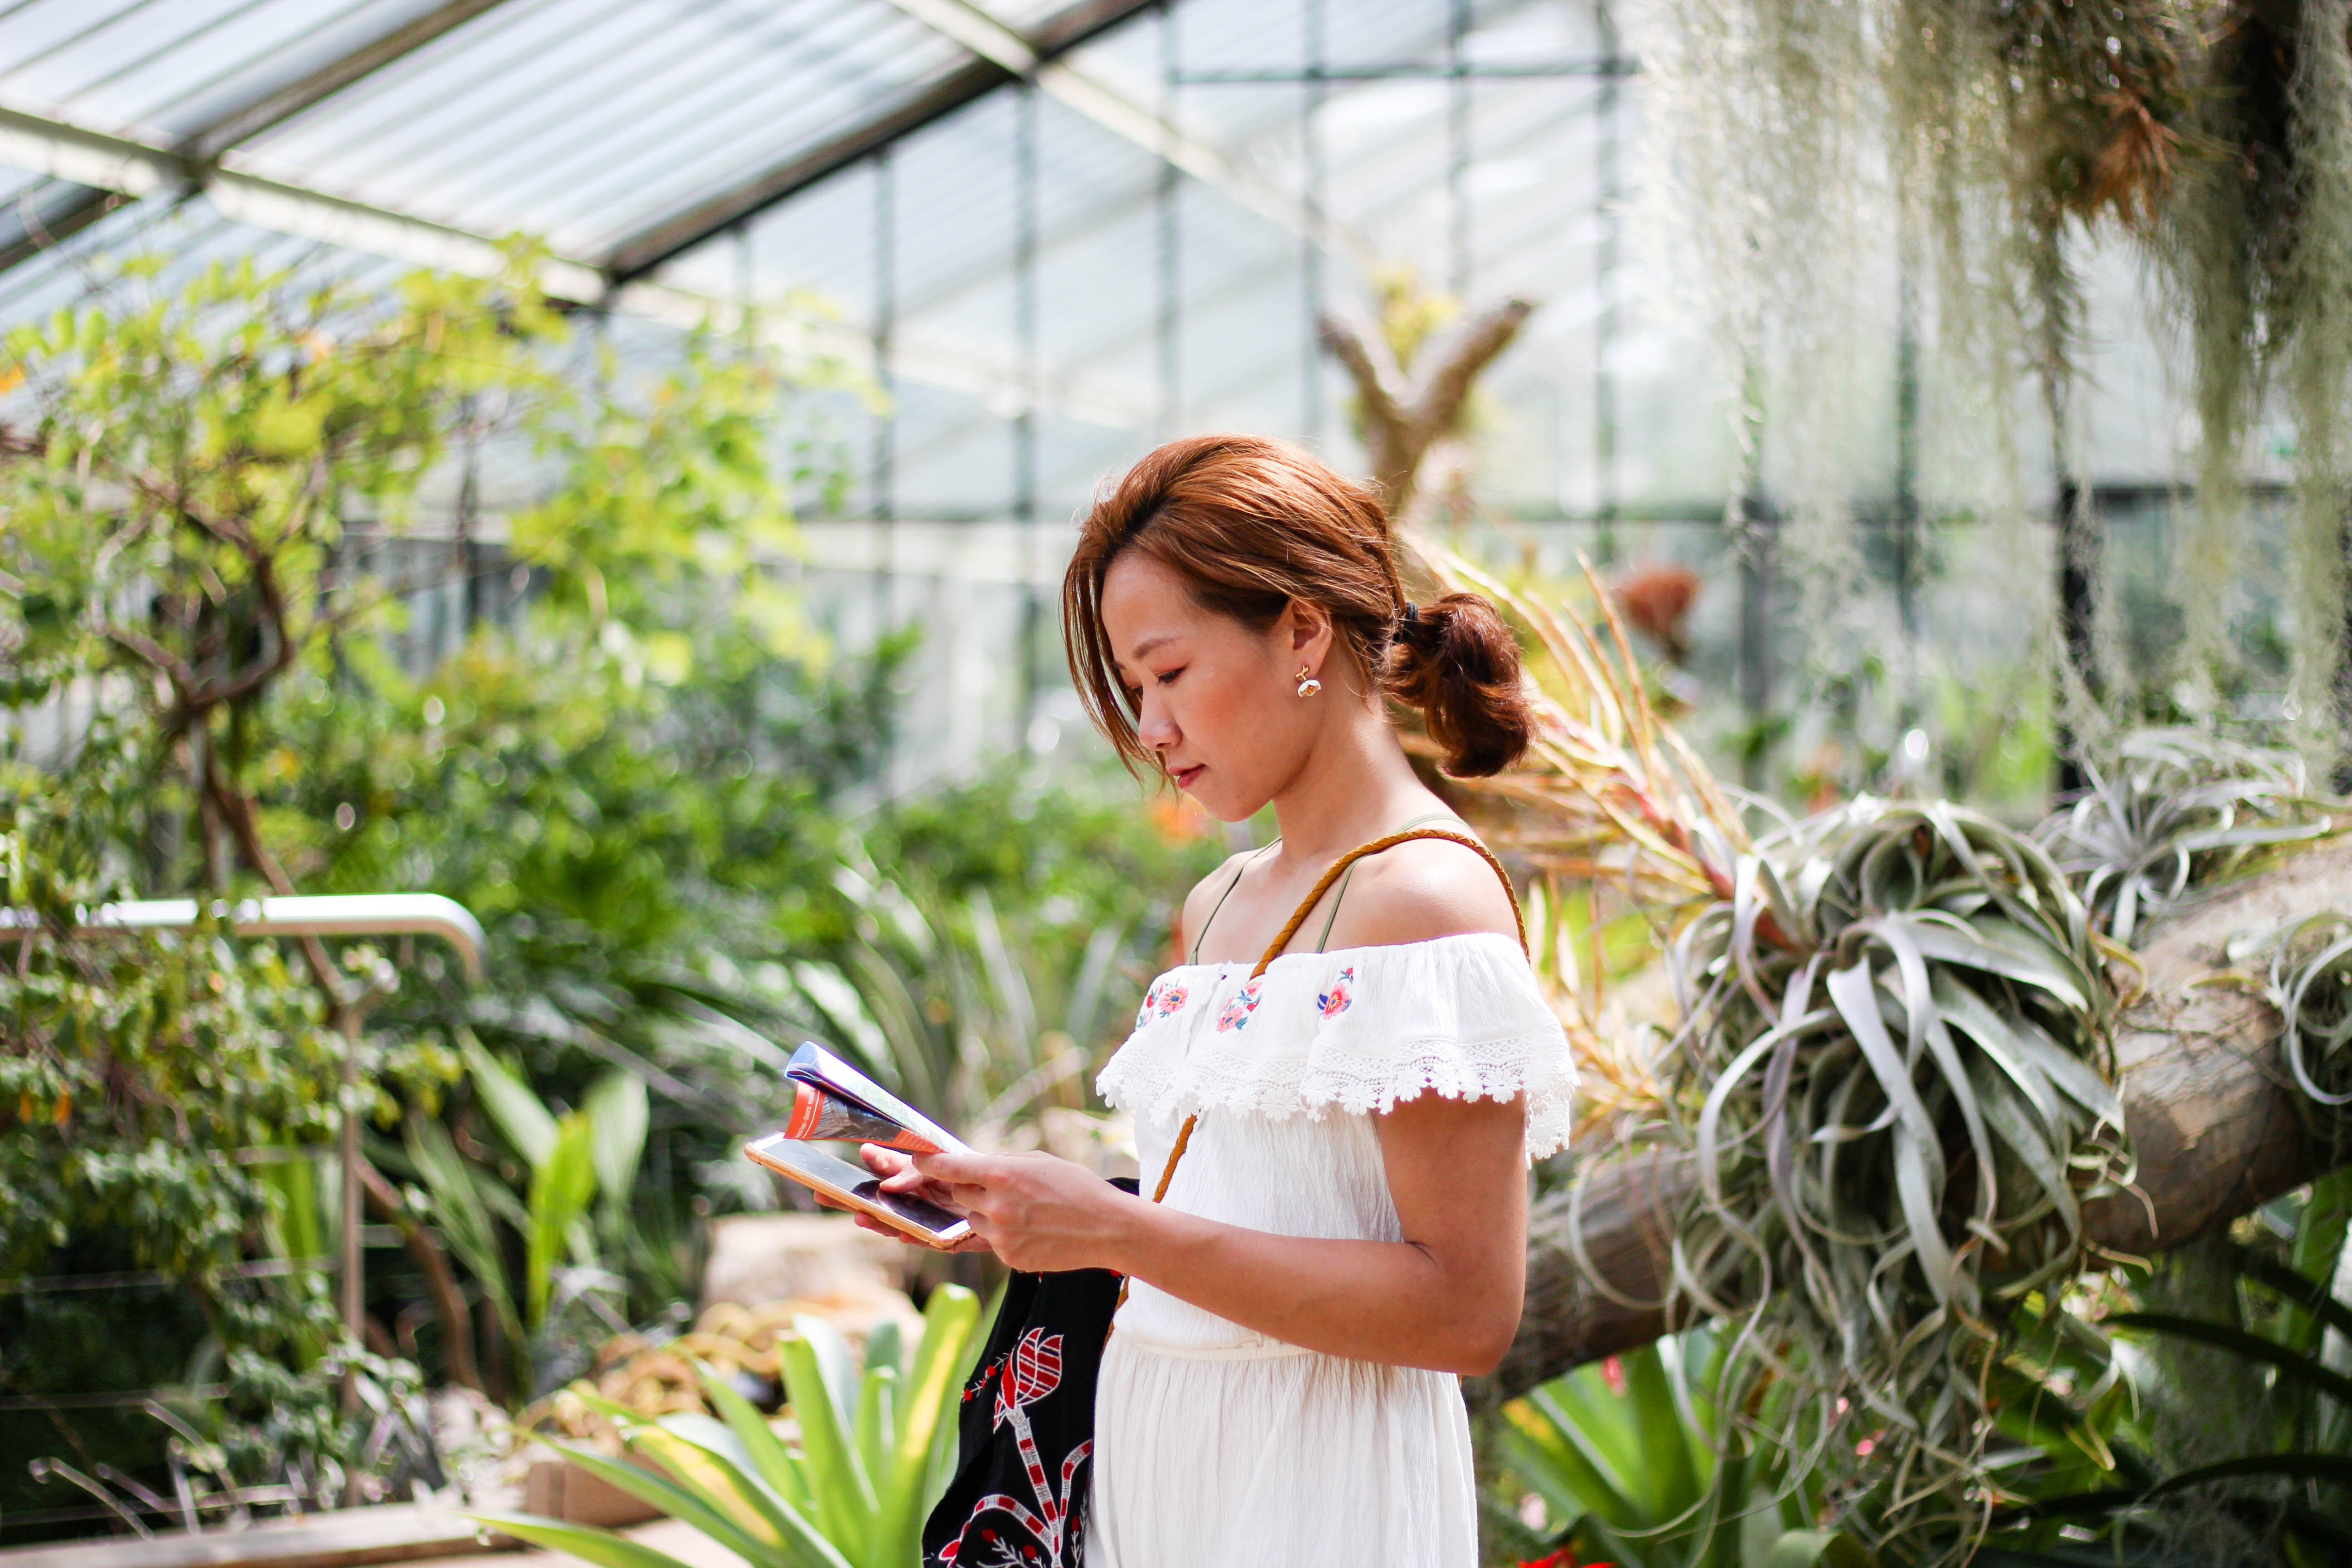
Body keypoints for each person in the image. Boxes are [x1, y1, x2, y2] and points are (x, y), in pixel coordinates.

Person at [844, 434, 1575, 1565]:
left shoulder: (1426, 902)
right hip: (1152, 1458)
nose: (1152, 730)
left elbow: (1466, 1312)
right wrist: (1000, 1203)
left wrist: (1113, 1227)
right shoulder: (1220, 902)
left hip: (1316, 1484)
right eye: (1135, 689)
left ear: (1300, 628)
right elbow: (1220, 1209)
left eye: (1170, 673)